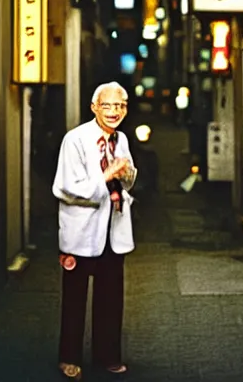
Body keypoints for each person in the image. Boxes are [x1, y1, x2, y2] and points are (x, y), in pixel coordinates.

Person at [52, 82, 137, 380]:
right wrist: (106, 175)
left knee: (111, 298)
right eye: (108, 106)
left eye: (120, 106)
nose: (114, 112)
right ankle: (68, 357)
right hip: (81, 234)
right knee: (75, 299)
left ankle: (108, 355)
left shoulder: (121, 138)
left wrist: (126, 175)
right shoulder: (74, 139)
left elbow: (127, 180)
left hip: (113, 232)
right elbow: (67, 188)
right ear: (94, 108)